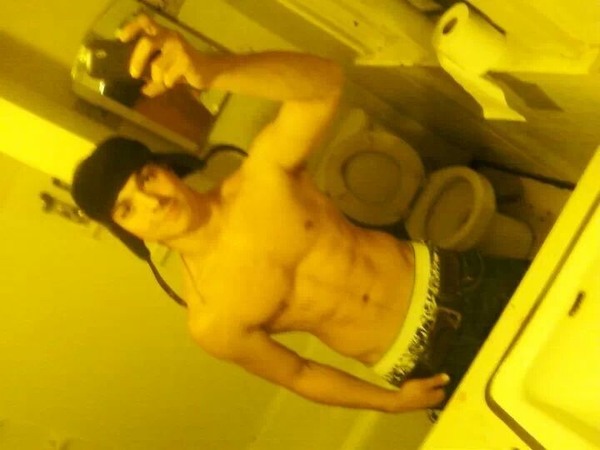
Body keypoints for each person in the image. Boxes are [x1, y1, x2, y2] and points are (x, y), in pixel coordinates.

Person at [71, 14, 529, 417]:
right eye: (128, 207)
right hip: (419, 360)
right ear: (126, 230)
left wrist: (212, 69)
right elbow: (298, 373)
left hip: (459, 279)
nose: (151, 202)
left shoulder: (262, 177)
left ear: (168, 170)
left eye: (147, 177)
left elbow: (324, 85)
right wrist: (387, 402)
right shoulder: (211, 320)